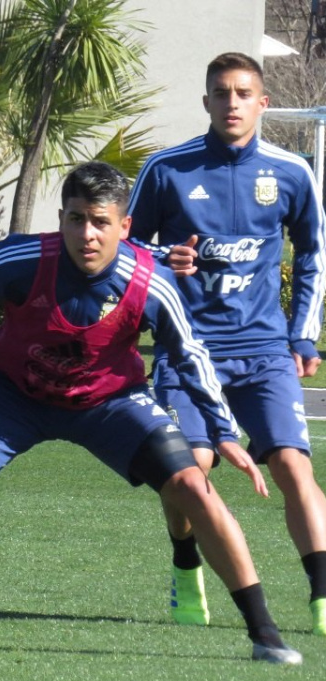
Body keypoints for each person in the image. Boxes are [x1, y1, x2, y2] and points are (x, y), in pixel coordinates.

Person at [0, 161, 302, 665]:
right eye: (76, 218)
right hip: (11, 397)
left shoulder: (151, 281)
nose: (87, 234)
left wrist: (223, 432)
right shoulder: (20, 259)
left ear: (124, 226)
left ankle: (265, 633)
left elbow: (191, 354)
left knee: (194, 488)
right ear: (61, 218)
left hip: (110, 403)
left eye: (100, 221)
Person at [128, 52, 326, 635]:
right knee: (190, 470)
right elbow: (125, 247)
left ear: (263, 103)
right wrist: (164, 256)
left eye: (243, 93)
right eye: (221, 93)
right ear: (206, 102)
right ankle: (185, 564)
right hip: (186, 350)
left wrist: (303, 333)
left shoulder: (291, 171)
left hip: (264, 350)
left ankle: (322, 597)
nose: (232, 103)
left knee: (293, 465)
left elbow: (314, 253)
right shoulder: (166, 168)